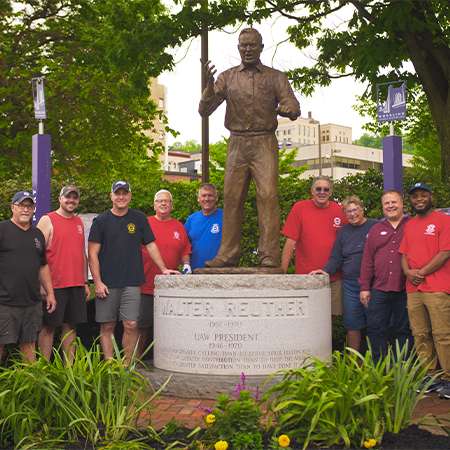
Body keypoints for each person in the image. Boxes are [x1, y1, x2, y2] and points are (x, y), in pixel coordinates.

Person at [199, 28, 300, 268]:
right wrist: (209, 85)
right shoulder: (227, 77)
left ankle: (268, 254)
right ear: (238, 48)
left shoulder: (276, 77)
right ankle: (228, 253)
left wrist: (288, 109)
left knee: (267, 196)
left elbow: (293, 105)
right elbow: (205, 110)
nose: (247, 49)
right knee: (232, 197)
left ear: (261, 48)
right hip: (237, 142)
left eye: (252, 45)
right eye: (243, 45)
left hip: (264, 141)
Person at [88, 181, 179, 364]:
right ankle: (109, 366)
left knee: (131, 324)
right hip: (108, 283)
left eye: (125, 193)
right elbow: (92, 253)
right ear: (112, 196)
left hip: (132, 282)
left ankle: (126, 368)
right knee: (107, 326)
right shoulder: (101, 221)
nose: (121, 197)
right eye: (117, 193)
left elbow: (150, 244)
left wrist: (163, 269)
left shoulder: (138, 218)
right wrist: (97, 282)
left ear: (130, 196)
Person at [399, 182, 450, 399]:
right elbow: (404, 253)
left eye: (423, 195)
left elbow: (446, 251)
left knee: (443, 334)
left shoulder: (443, 220)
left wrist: (422, 272)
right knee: (420, 334)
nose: (418, 199)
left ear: (430, 197)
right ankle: (431, 377)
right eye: (414, 196)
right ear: (410, 200)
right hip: (413, 289)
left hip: (437, 286)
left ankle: (448, 378)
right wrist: (409, 273)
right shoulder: (409, 224)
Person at [310, 196, 378, 352]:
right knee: (352, 325)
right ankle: (354, 365)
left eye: (355, 210)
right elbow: (337, 258)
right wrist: (325, 270)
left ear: (362, 209)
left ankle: (377, 363)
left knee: (377, 324)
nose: (352, 214)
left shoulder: (376, 226)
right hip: (351, 284)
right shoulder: (344, 231)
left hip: (374, 283)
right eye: (348, 212)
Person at [0, 191, 56, 363]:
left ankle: (30, 386)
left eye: (29, 206)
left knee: (30, 344)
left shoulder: (37, 234)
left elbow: (43, 266)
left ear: (33, 209)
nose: (25, 209)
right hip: (5, 302)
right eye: (21, 205)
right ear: (12, 208)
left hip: (32, 302)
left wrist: (50, 293)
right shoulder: (2, 229)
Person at [37, 185, 91, 363]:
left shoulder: (79, 222)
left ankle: (70, 370)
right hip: (54, 284)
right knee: (49, 326)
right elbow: (37, 254)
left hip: (75, 284)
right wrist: (42, 285)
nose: (71, 200)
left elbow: (81, 253)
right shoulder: (48, 220)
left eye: (75, 198)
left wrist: (85, 282)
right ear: (60, 199)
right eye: (68, 197)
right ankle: (44, 368)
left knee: (71, 327)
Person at [281, 176, 348, 319]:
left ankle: (325, 343)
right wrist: (283, 272)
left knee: (329, 318)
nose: (322, 192)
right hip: (307, 275)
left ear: (330, 192)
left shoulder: (340, 210)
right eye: (318, 189)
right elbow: (290, 242)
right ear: (312, 191)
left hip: (334, 275)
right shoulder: (299, 208)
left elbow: (349, 242)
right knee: (307, 317)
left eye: (326, 189)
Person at [358, 190, 413, 364]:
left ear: (402, 203)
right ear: (382, 207)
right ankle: (379, 369)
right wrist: (365, 287)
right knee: (374, 329)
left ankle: (402, 370)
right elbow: (367, 259)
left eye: (394, 202)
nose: (391, 206)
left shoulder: (413, 225)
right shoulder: (376, 230)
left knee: (405, 330)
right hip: (380, 288)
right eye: (386, 203)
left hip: (406, 288)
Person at [137, 189, 191, 359]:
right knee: (141, 326)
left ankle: (168, 360)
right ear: (154, 205)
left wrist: (187, 265)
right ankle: (134, 363)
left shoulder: (179, 227)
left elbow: (184, 250)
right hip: (145, 285)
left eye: (166, 201)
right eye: (159, 201)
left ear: (172, 205)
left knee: (169, 326)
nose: (163, 204)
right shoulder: (144, 223)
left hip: (170, 288)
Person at [184, 183, 223, 270]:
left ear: (216, 198)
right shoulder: (191, 219)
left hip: (219, 271)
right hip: (196, 271)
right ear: (198, 198)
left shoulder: (225, 217)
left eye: (210, 195)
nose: (207, 199)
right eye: (204, 195)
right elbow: (183, 245)